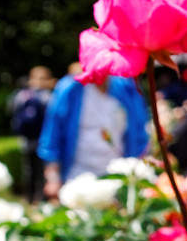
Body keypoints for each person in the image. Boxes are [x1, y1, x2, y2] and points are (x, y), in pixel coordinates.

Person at [38, 66, 150, 198]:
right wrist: (53, 178)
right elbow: (52, 135)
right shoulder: (71, 89)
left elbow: (139, 133)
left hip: (117, 178)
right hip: (78, 178)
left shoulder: (126, 88)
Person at [10, 66, 55, 202]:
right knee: (43, 169)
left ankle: (29, 198)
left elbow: (12, 109)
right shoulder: (47, 95)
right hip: (44, 139)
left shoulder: (21, 95)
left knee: (29, 169)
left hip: (27, 139)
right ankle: (41, 199)